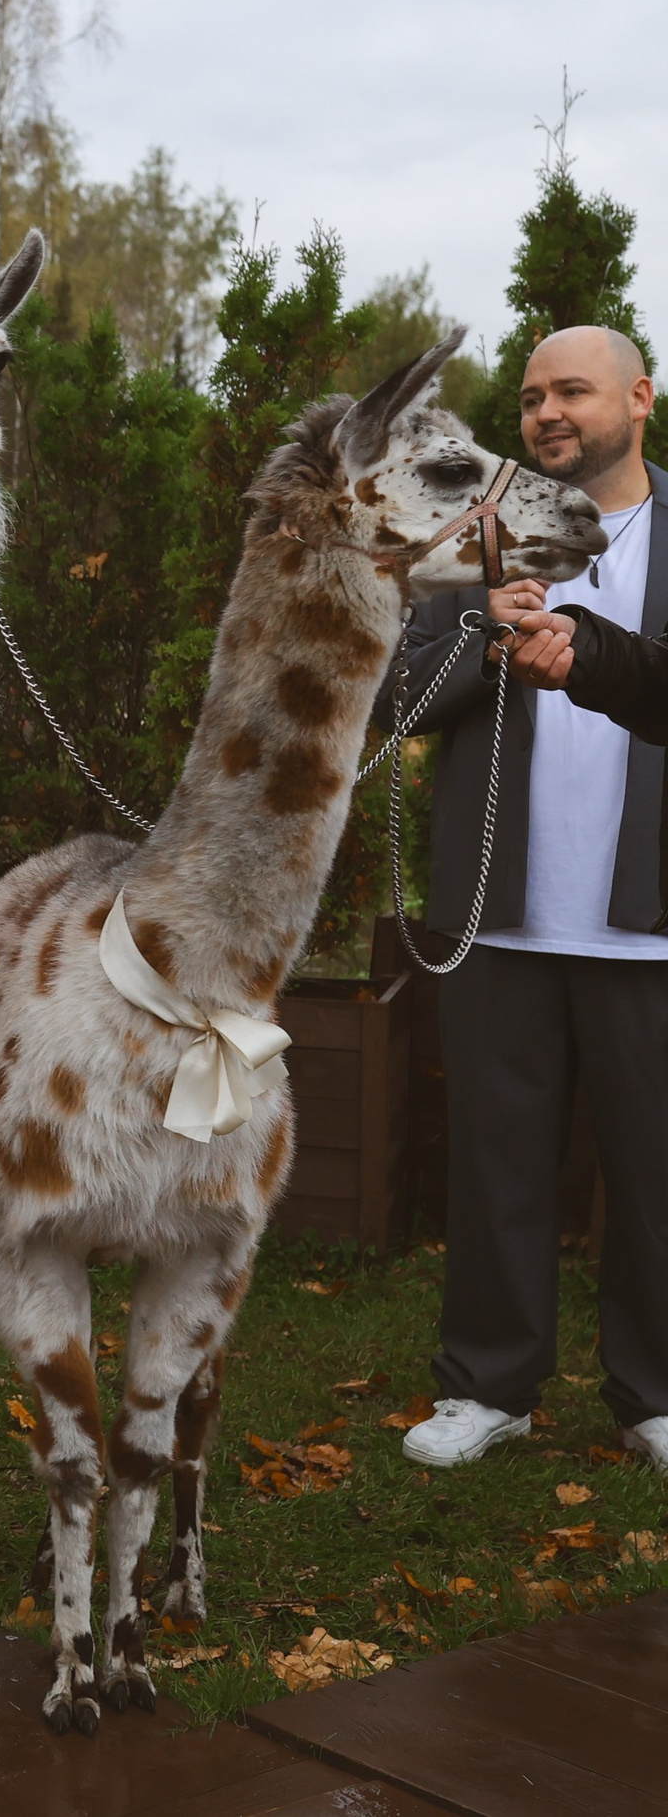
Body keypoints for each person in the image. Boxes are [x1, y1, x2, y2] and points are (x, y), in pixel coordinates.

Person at [387, 325, 668, 1474]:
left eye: (571, 390)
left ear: (640, 398)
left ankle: (653, 1395)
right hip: (496, 912)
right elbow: (394, 699)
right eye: (530, 396)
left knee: (654, 1172)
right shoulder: (472, 540)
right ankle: (488, 1387)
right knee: (494, 1159)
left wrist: (587, 654)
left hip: (647, 922)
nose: (546, 412)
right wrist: (479, 632)